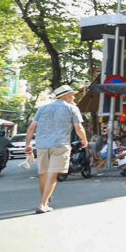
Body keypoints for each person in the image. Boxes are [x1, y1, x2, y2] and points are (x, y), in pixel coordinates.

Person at [24, 85, 88, 214]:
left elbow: (31, 128)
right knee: (53, 174)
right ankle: (43, 204)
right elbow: (78, 127)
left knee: (43, 173)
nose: (74, 97)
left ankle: (45, 200)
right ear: (65, 96)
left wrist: (28, 144)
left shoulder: (42, 108)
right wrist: (84, 140)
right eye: (72, 95)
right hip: (60, 145)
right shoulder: (72, 108)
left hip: (42, 145)